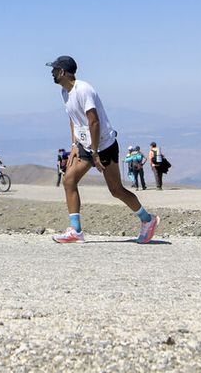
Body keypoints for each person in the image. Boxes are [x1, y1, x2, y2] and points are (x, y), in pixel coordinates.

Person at [46, 55, 158, 243]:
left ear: (63, 72)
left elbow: (94, 121)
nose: (52, 73)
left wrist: (96, 152)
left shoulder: (84, 89)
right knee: (69, 180)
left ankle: (148, 220)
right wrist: (74, 144)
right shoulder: (65, 93)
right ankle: (76, 231)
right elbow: (74, 119)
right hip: (87, 145)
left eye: (55, 70)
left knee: (116, 190)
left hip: (104, 145)